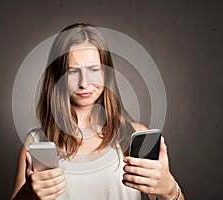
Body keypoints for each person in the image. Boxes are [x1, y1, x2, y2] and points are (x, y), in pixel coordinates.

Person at [11, 23, 184, 200]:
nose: (84, 82)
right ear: (58, 77)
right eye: (73, 71)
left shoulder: (136, 135)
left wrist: (169, 190)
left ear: (106, 73)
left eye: (93, 70)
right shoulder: (37, 142)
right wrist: (29, 194)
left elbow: (164, 192)